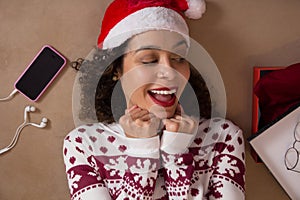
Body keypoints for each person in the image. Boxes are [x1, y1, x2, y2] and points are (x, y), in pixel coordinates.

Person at [63, 0, 245, 199]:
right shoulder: (84, 144)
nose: (169, 72)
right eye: (149, 60)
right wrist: (142, 152)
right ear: (116, 69)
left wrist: (177, 155)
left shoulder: (223, 138)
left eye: (179, 57)